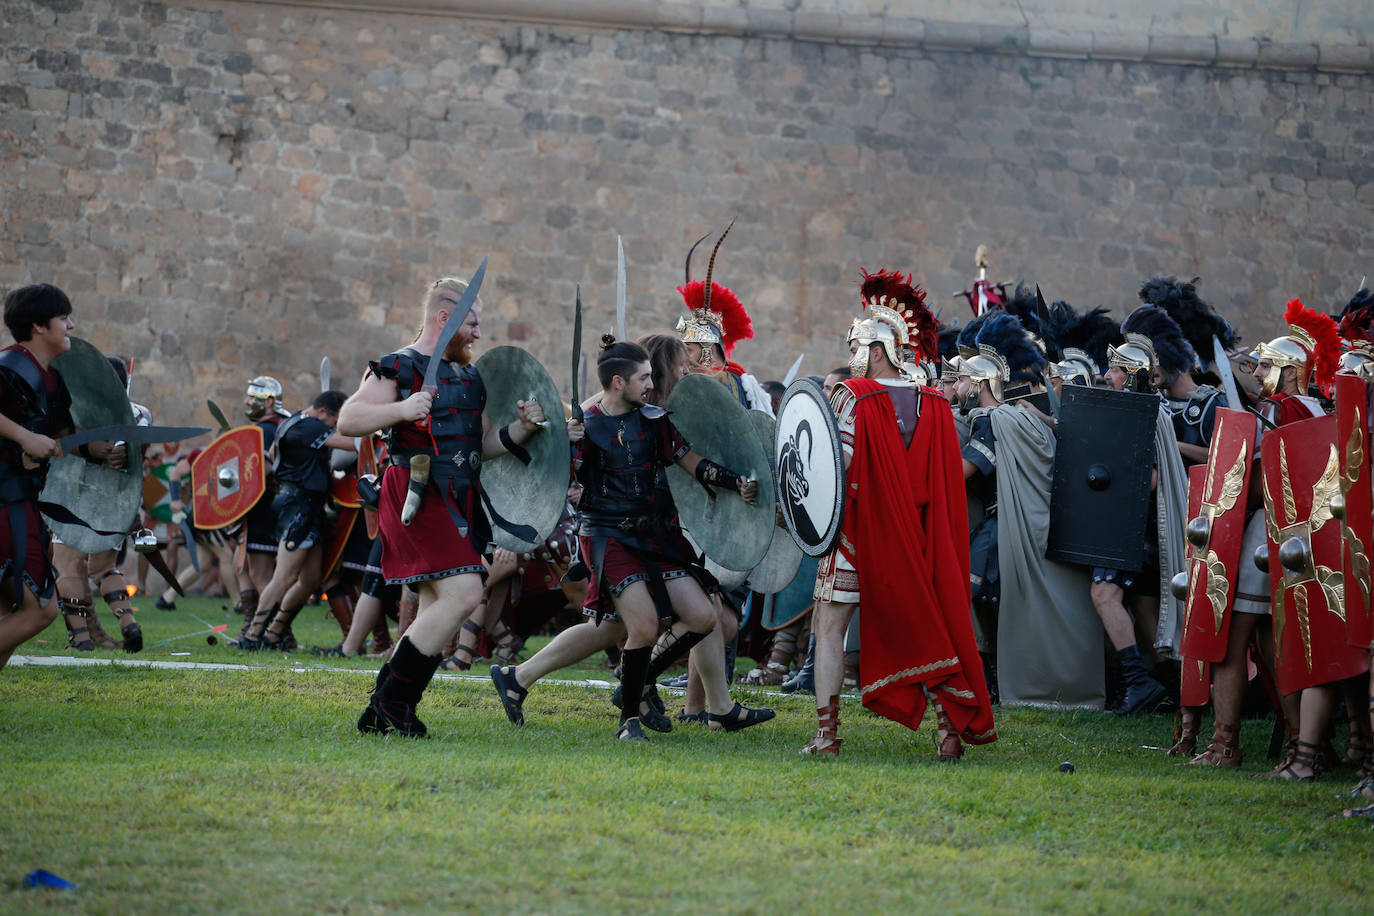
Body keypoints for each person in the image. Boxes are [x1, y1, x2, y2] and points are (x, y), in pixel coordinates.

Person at [492, 335, 770, 739]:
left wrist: (736, 482)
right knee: (641, 626)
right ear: (619, 382)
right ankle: (630, 718)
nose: (651, 384)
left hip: (656, 537)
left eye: (652, 376)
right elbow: (550, 480)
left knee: (701, 616)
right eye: (643, 378)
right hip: (609, 538)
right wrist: (565, 443)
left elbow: (695, 464)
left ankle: (525, 679)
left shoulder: (656, 420)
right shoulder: (584, 425)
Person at [338, 275, 548, 737]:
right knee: (465, 594)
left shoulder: (469, 378)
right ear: (444, 318)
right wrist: (400, 410)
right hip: (416, 491)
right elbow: (349, 419)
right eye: (471, 324)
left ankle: (385, 707)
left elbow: (480, 447)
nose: (478, 333)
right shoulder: (398, 367)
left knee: (439, 603)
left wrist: (522, 430)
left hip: (460, 496)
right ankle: (393, 703)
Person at [803, 269, 995, 758]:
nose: (852, 356)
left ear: (877, 350)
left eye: (856, 347)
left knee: (829, 628)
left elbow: (838, 466)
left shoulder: (852, 396)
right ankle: (948, 734)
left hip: (857, 534)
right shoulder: (934, 402)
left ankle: (827, 735)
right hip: (920, 540)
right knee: (932, 629)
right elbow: (942, 480)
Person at [0, 284, 124, 669]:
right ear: (39, 325)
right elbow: (30, 437)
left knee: (10, 608)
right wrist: (23, 436)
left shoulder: (52, 379)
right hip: (4, 502)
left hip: (22, 499)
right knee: (40, 610)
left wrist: (98, 450)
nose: (71, 326)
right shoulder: (9, 366)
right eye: (63, 318)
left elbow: (60, 437)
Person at [238, 389, 353, 649]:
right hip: (299, 506)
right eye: (335, 421)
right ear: (322, 412)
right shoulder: (311, 425)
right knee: (284, 576)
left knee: (311, 578)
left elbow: (272, 454)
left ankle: (274, 632)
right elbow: (351, 444)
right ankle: (252, 636)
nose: (335, 427)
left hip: (302, 504)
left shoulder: (292, 421)